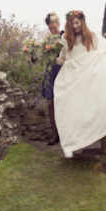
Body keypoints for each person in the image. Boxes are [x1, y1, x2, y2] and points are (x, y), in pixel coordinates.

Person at [54, 10, 106, 158]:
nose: (75, 26)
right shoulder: (65, 40)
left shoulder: (91, 37)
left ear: (82, 22)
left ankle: (86, 141)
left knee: (87, 108)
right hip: (72, 77)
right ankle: (72, 144)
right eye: (72, 24)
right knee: (72, 109)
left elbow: (94, 55)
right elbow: (62, 59)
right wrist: (51, 57)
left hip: (87, 77)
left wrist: (102, 57)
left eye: (77, 23)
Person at [41, 12, 63, 146]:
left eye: (54, 28)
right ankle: (55, 134)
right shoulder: (46, 40)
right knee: (50, 103)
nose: (52, 31)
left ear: (59, 24)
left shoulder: (64, 36)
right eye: (50, 29)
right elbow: (40, 56)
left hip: (62, 70)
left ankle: (66, 133)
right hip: (50, 71)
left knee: (63, 102)